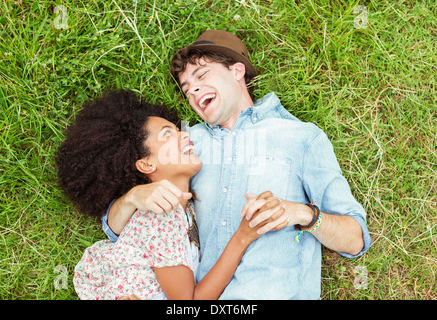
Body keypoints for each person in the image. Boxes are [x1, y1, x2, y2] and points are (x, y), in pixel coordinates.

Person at [102, 30, 372, 299]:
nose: (192, 89)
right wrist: (133, 197)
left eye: (202, 75)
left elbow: (356, 239)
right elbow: (119, 232)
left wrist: (303, 215)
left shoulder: (300, 137)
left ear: (237, 71)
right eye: (186, 88)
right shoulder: (187, 144)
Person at [55, 90, 278, 300]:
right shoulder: (161, 219)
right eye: (168, 134)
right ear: (147, 164)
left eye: (178, 129)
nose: (184, 135)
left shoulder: (184, 206)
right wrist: (243, 236)